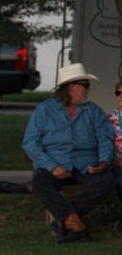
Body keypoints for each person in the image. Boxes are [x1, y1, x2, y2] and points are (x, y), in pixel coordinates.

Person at [22, 63, 115, 243]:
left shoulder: (93, 111)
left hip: (85, 165)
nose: (88, 90)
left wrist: (103, 162)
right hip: (53, 164)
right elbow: (29, 143)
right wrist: (53, 166)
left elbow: (105, 139)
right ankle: (74, 223)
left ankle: (63, 220)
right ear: (72, 87)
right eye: (85, 86)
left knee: (106, 181)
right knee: (40, 182)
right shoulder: (45, 109)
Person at [107, 80, 122, 232]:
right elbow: (104, 144)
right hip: (116, 163)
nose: (121, 96)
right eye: (118, 93)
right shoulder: (109, 118)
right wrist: (116, 159)